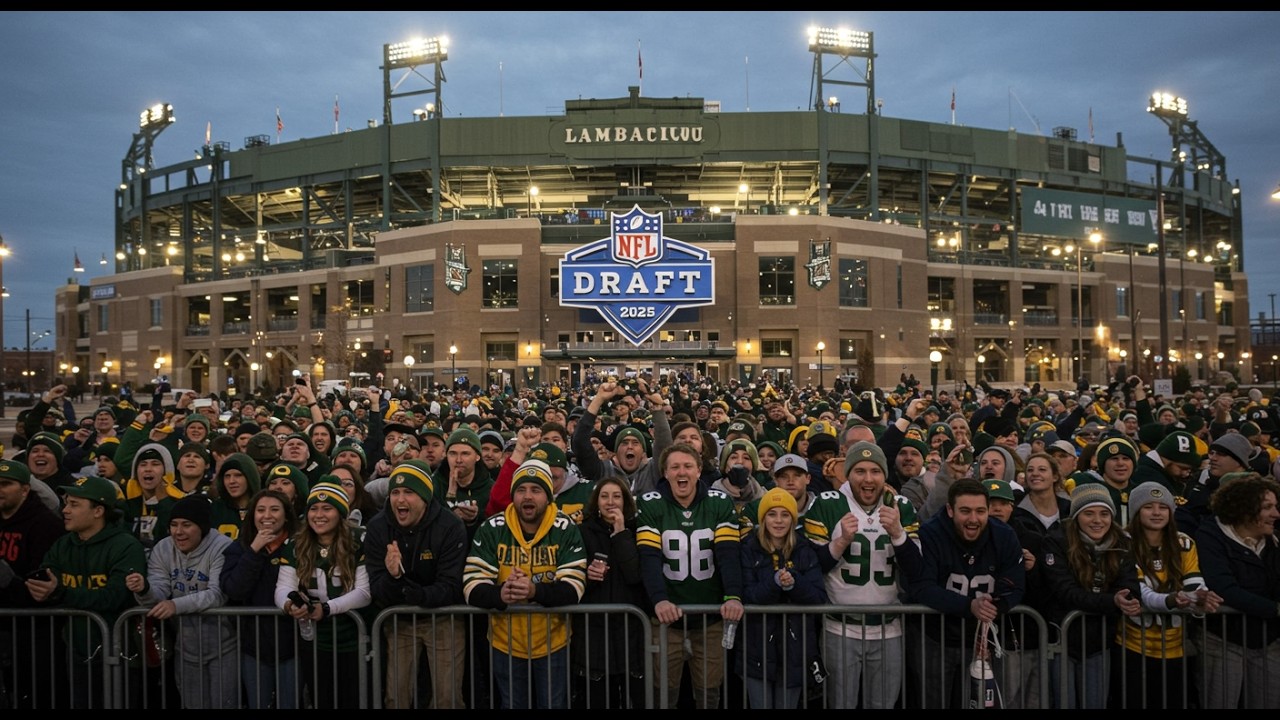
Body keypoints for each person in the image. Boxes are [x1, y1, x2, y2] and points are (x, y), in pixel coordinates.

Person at [800, 440, 920, 709]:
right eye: (860, 471)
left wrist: (898, 535)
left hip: (889, 628)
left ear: (884, 475)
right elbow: (811, 568)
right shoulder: (827, 505)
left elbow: (916, 570)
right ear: (848, 473)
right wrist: (840, 542)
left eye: (875, 471)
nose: (868, 479)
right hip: (840, 626)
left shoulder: (901, 506)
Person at [463, 459, 587, 709]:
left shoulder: (565, 528)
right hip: (504, 642)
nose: (527, 496)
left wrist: (533, 591)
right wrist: (501, 594)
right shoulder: (492, 528)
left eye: (536, 489)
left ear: (549, 496)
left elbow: (574, 587)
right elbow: (471, 584)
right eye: (521, 490)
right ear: (512, 495)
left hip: (553, 643)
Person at [636, 442, 744, 710]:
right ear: (665, 473)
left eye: (687, 466)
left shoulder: (719, 502)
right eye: (674, 467)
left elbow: (728, 555)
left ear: (698, 470)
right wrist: (659, 600)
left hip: (710, 618)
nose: (681, 472)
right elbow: (649, 558)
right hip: (666, 620)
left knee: (709, 692)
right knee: (664, 692)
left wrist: (733, 595)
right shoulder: (651, 503)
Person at [26, 475, 145, 709]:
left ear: (98, 511)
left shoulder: (126, 546)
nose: (65, 510)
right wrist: (43, 590)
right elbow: (48, 576)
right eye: (66, 503)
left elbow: (113, 597)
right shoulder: (63, 544)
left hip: (121, 652)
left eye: (74, 504)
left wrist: (61, 593)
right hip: (77, 651)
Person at [908, 477, 1025, 709]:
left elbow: (1015, 584)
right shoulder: (931, 533)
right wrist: (969, 606)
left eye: (980, 511)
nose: (973, 519)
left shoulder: (1004, 535)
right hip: (935, 638)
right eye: (965, 511)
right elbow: (922, 586)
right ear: (950, 510)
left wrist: (995, 606)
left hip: (980, 641)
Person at [364, 460, 469, 709]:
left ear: (424, 497)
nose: (400, 500)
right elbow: (377, 588)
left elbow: (452, 584)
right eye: (395, 492)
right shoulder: (378, 527)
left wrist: (415, 594)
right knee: (396, 697)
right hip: (399, 620)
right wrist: (394, 577)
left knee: (447, 698)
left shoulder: (450, 526)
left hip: (443, 618)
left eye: (409, 492)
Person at [125, 495, 238, 708]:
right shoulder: (163, 548)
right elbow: (158, 591)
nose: (178, 531)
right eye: (174, 525)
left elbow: (217, 594)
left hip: (224, 647)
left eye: (186, 525)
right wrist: (144, 589)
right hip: (185, 647)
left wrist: (175, 605)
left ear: (202, 527)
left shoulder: (222, 546)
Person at [1118, 481, 1222, 709]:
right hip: (1132, 645)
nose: (1156, 512)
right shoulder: (1123, 543)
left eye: (1163, 507)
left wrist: (1201, 597)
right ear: (1136, 511)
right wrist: (1174, 599)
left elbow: (1194, 584)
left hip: (1175, 647)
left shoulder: (1184, 543)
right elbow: (1141, 593)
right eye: (1148, 507)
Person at [1039, 483, 1142, 709]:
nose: (1098, 520)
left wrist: (1128, 600)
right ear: (1076, 516)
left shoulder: (1122, 543)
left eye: (1104, 513)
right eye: (1089, 513)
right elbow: (1066, 592)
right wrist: (1111, 601)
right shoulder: (1056, 541)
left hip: (1099, 642)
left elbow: (1130, 585)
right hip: (1062, 641)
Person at [274, 480, 372, 709]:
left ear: (340, 512)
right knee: (322, 700)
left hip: (353, 638)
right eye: (314, 509)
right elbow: (282, 587)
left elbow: (364, 592)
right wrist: (289, 604)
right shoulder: (296, 543)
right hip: (315, 641)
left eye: (327, 508)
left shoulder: (359, 539)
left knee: (356, 700)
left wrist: (327, 609)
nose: (319, 515)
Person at [1193, 472, 1280, 709]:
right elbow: (1224, 588)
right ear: (1243, 509)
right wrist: (1275, 609)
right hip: (1223, 640)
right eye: (1267, 507)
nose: (1276, 514)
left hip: (1268, 640)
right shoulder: (1210, 536)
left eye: (1275, 506)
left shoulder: (1274, 542)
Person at [738, 487, 828, 708]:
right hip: (757, 648)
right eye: (772, 514)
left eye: (785, 514)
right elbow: (746, 595)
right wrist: (774, 583)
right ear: (763, 518)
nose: (778, 521)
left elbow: (818, 597)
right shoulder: (749, 548)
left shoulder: (804, 549)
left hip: (795, 649)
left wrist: (794, 583)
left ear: (793, 519)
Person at [571, 475, 649, 709]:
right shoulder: (582, 531)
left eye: (616, 496)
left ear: (626, 501)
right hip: (594, 633)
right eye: (604, 496)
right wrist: (588, 576)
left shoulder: (637, 530)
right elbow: (572, 577)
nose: (610, 502)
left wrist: (621, 532)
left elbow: (635, 574)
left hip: (630, 632)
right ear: (596, 501)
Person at [220, 489, 301, 708]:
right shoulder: (239, 548)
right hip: (254, 646)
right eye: (261, 510)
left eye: (274, 510)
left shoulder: (300, 546)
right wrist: (254, 550)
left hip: (293, 645)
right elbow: (234, 590)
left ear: (286, 515)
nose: (267, 516)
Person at [0, 459, 65, 708]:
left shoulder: (45, 525)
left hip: (32, 634)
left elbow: (40, 591)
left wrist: (7, 579)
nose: (0, 490)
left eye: (6, 484)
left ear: (25, 489)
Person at [208, 452, 261, 539]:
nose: (231, 481)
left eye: (238, 475)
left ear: (250, 477)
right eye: (227, 476)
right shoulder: (215, 509)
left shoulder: (263, 508)